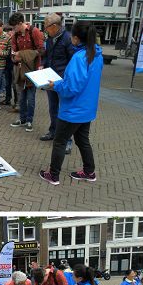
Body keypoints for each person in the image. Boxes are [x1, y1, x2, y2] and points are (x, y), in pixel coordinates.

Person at [39, 22, 103, 185]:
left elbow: (71, 87)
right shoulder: (96, 54)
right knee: (83, 141)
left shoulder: (79, 58)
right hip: (87, 109)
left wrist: (55, 85)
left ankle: (53, 175)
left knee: (60, 141)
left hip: (73, 110)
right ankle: (89, 172)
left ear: (75, 38)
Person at [40, 13, 75, 155]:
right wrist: (43, 65)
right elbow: (47, 56)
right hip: (50, 79)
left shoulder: (68, 39)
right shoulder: (50, 38)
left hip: (62, 80)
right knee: (53, 108)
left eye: (46, 27)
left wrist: (65, 78)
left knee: (64, 110)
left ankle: (67, 140)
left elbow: (73, 61)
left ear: (54, 26)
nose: (45, 30)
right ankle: (53, 131)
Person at [8, 13, 45, 132]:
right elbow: (13, 52)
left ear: (20, 24)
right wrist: (14, 57)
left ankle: (29, 120)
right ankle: (22, 119)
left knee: (31, 97)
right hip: (20, 69)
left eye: (14, 27)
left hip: (33, 69)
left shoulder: (35, 32)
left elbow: (42, 50)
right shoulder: (15, 35)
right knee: (21, 96)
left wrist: (22, 54)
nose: (13, 30)